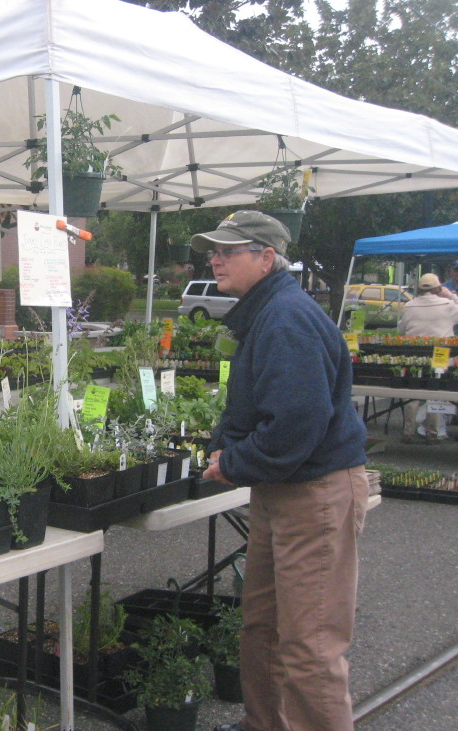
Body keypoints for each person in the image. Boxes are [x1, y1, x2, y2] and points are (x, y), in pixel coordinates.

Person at [190, 211, 369, 731]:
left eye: (229, 251)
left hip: (313, 494)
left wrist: (235, 461)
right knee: (263, 630)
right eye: (213, 252)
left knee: (310, 646)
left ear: (267, 258)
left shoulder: (286, 318)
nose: (216, 259)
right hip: (283, 490)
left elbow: (296, 423)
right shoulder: (268, 311)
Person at [398, 273, 458, 443]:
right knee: (435, 392)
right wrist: (451, 296)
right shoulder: (447, 305)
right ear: (438, 288)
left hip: (414, 355)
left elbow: (402, 330)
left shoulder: (409, 306)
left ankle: (408, 431)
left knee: (412, 393)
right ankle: (432, 433)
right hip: (440, 354)